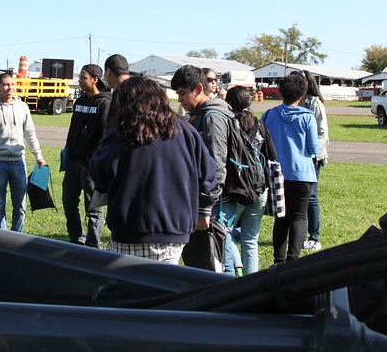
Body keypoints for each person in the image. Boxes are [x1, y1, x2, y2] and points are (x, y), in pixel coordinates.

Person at [90, 76, 217, 263]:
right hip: (176, 232)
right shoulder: (184, 128)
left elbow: (99, 171)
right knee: (163, 286)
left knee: (130, 289)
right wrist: (203, 208)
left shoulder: (122, 130)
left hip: (132, 229)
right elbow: (208, 174)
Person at [171, 64, 233, 272]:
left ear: (199, 88)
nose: (179, 99)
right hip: (204, 201)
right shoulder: (199, 114)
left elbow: (216, 166)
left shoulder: (212, 117)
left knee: (214, 258)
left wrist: (204, 209)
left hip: (213, 204)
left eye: (182, 93)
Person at [260, 72, 321, 262]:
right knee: (299, 217)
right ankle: (293, 259)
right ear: (302, 94)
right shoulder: (308, 117)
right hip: (303, 174)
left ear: (281, 92)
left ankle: (278, 259)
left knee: (281, 217)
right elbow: (313, 148)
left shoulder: (269, 115)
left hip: (277, 174)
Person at [0, 72, 46, 232]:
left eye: (12, 84)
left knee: (21, 206)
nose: (10, 88)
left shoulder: (22, 107)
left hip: (18, 163)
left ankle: (17, 236)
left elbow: (30, 133)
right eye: (6, 84)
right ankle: (0, 238)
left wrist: (38, 155)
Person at [224, 86, 277, 274]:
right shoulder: (260, 124)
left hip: (236, 189)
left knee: (225, 233)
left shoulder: (229, 123)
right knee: (250, 239)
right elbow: (273, 155)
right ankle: (251, 279)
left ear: (228, 102)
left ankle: (233, 271)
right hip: (259, 188)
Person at [62, 64, 111, 249]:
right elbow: (73, 130)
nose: (80, 81)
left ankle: (93, 245)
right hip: (73, 162)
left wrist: (91, 162)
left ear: (95, 80)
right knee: (69, 203)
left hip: (90, 166)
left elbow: (103, 135)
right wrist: (67, 152)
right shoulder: (79, 102)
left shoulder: (105, 103)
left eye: (83, 78)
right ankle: (76, 240)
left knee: (93, 208)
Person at [297, 70, 329, 251]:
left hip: (313, 156)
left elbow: (323, 133)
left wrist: (311, 148)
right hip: (297, 157)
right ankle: (299, 236)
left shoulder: (315, 103)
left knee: (311, 196)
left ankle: (314, 237)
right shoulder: (294, 100)